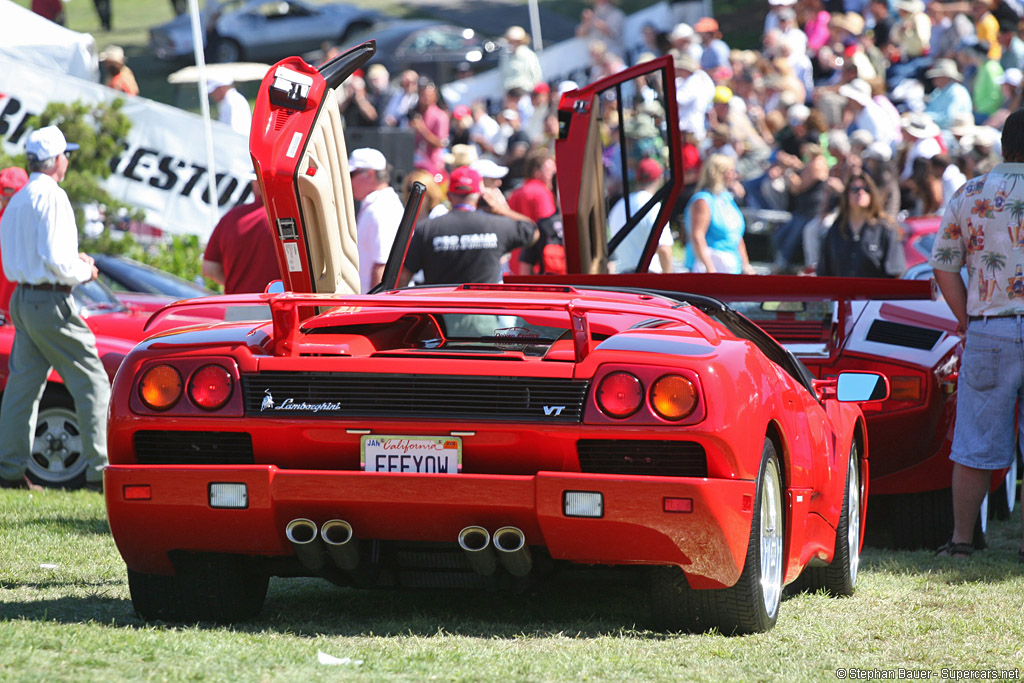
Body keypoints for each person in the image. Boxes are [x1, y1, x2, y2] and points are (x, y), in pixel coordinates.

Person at [929, 107, 1024, 561]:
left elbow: (944, 265)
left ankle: (962, 540)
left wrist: (968, 319)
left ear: (1004, 147)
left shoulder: (970, 193)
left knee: (974, 441)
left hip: (990, 328)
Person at [0, 126, 107, 492]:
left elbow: (25, 258)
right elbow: (58, 262)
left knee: (23, 386)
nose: (68, 160)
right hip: (50, 300)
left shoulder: (17, 200)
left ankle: (9, 470)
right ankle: (100, 472)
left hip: (24, 299)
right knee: (92, 380)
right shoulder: (53, 197)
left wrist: (68, 264)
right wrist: (85, 270)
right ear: (56, 160)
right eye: (66, 154)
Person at [400, 167, 538, 286]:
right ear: (479, 196)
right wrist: (500, 209)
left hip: (440, 313)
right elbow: (533, 231)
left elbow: (404, 276)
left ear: (449, 196)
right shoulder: (496, 226)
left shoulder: (427, 228)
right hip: (483, 312)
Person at [202, 174, 281, 294]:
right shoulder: (291, 218)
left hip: (236, 304)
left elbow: (209, 269)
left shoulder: (231, 218)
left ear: (256, 182)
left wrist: (239, 285)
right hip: (279, 305)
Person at [816, 173, 905, 278]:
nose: (860, 193)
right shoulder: (835, 231)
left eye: (866, 189)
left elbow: (895, 273)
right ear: (846, 195)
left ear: (872, 194)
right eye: (855, 189)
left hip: (874, 293)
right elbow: (824, 272)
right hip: (842, 294)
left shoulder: (885, 230)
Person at [683, 154, 755, 275]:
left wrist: (746, 265)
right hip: (709, 268)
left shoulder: (726, 198)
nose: (734, 175)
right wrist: (710, 270)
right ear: (719, 174)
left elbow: (736, 236)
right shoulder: (702, 201)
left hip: (731, 267)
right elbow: (697, 236)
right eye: (731, 171)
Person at [347, 148, 404, 293]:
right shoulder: (379, 204)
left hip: (376, 305)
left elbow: (383, 266)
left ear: (370, 174)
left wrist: (373, 309)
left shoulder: (381, 208)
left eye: (351, 174)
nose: (348, 180)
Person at [608, 157, 674, 273]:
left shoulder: (620, 205)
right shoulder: (653, 206)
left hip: (622, 279)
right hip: (647, 279)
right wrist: (669, 281)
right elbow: (664, 249)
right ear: (659, 179)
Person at [500, 26, 543, 93]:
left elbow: (536, 76)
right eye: (510, 41)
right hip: (510, 93)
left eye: (515, 41)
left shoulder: (528, 55)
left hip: (525, 92)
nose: (512, 43)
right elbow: (504, 75)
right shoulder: (506, 57)